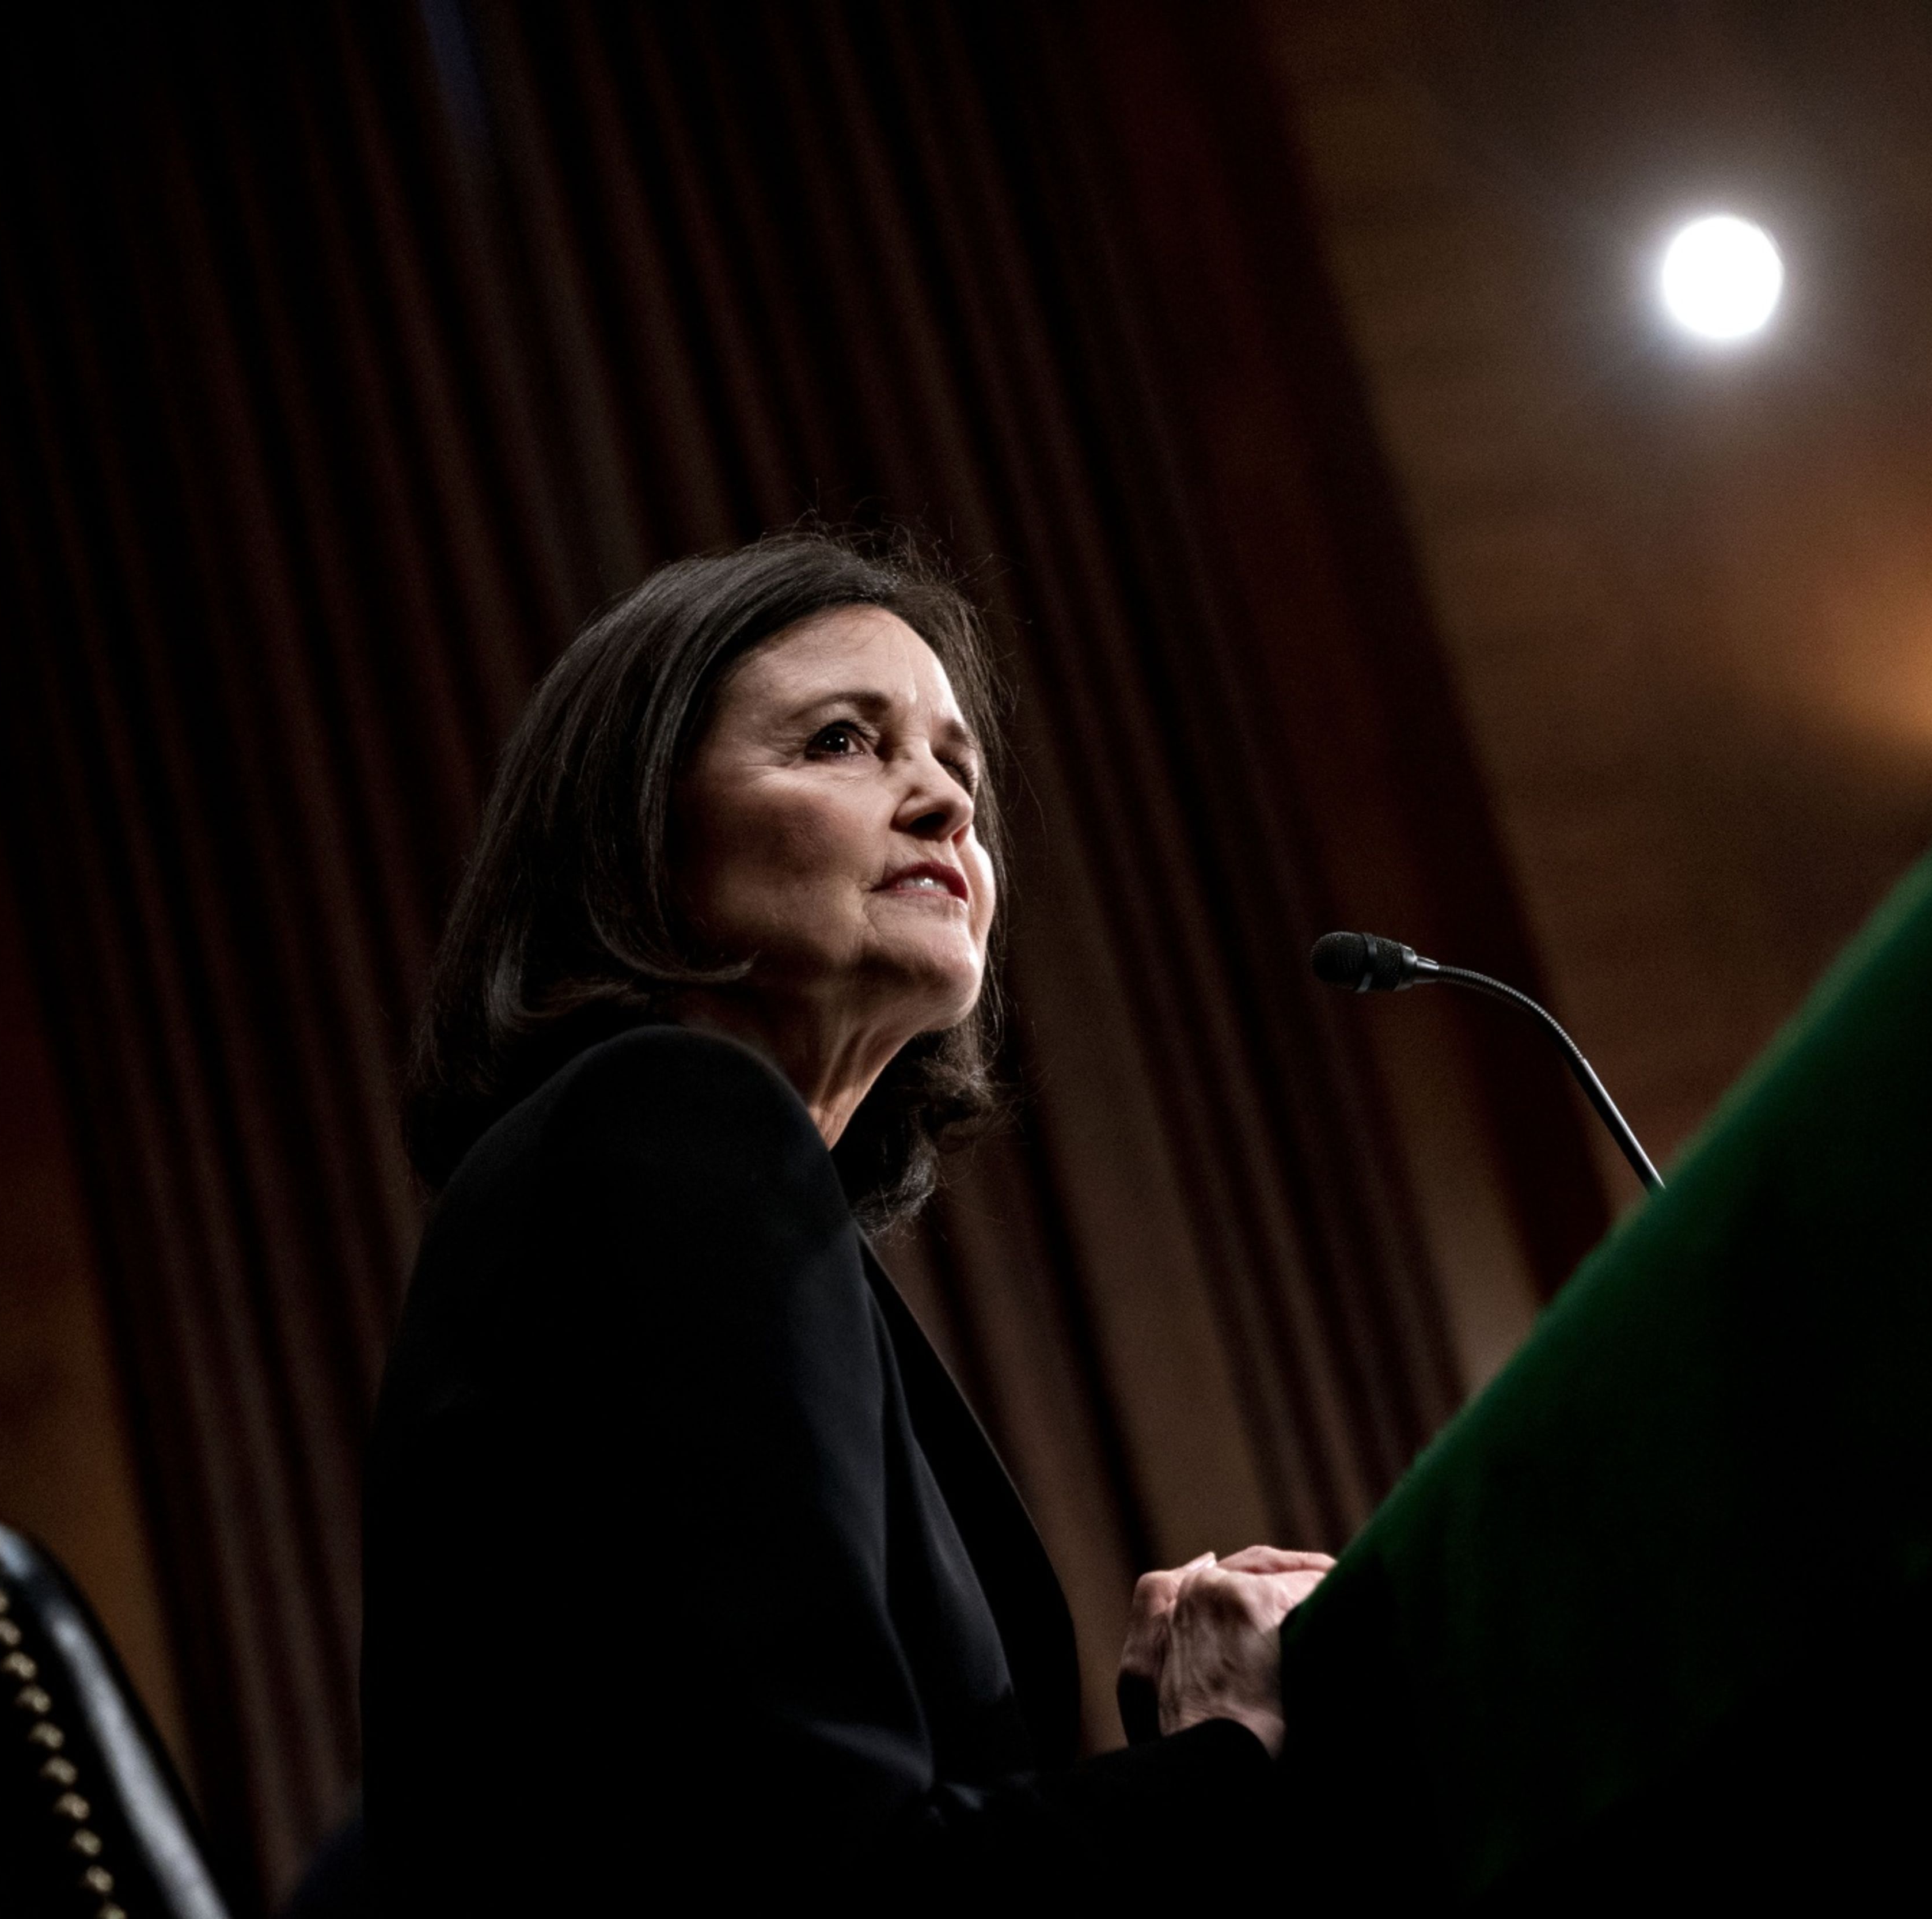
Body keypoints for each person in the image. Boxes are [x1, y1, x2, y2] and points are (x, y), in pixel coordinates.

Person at [364, 532, 1331, 1910]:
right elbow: (828, 1885)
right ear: (639, 830)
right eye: (841, 740)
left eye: (961, 773)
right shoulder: (666, 1124)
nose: (942, 801)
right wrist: (1237, 1749)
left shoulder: (671, 1178)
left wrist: (1172, 1737)